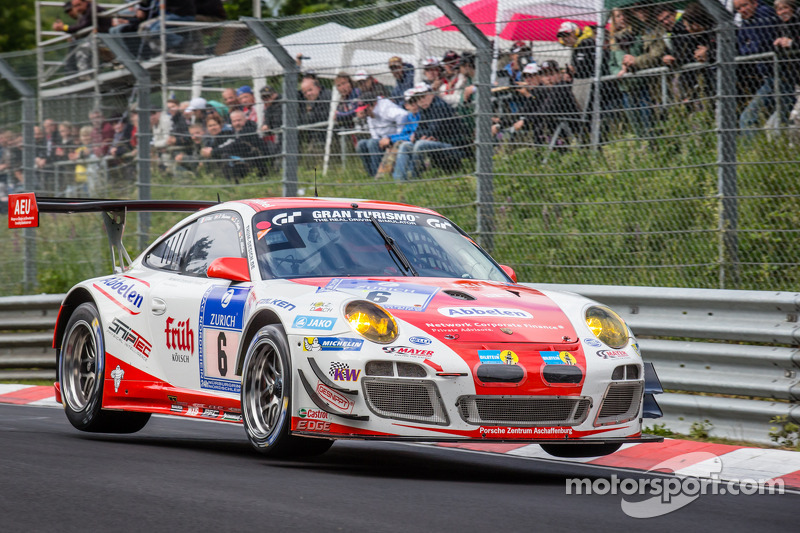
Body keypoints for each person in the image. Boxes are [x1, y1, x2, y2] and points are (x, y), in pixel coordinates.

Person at [392, 83, 471, 179]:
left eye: (423, 96)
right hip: (436, 144)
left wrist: (421, 136)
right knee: (405, 145)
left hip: (455, 147)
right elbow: (419, 131)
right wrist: (421, 135)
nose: (421, 101)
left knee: (421, 144)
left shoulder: (439, 106)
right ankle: (399, 179)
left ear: (431, 94)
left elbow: (433, 130)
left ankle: (413, 177)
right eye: (417, 98)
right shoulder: (424, 109)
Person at [734, 0, 783, 135]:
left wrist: (751, 46)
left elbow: (763, 45)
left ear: (754, 3)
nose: (742, 10)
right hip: (769, 76)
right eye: (738, 8)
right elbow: (741, 47)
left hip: (781, 74)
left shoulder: (763, 13)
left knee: (748, 118)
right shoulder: (747, 21)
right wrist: (752, 46)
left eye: (745, 5)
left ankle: (750, 153)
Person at [201, 109, 266, 182]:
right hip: (240, 158)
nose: (237, 123)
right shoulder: (231, 132)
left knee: (225, 156)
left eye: (239, 120)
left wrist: (213, 152)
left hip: (252, 159)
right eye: (234, 121)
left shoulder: (249, 130)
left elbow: (232, 145)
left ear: (245, 119)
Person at [355, 91, 409, 177]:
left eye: (366, 108)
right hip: (381, 138)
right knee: (361, 144)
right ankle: (371, 174)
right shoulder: (370, 112)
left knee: (372, 143)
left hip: (392, 137)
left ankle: (379, 175)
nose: (364, 111)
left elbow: (402, 114)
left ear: (374, 103)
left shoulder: (385, 108)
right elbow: (373, 132)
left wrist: (398, 134)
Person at [558, 21, 596, 113]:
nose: (565, 38)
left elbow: (586, 67)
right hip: (583, 83)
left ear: (576, 32)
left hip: (589, 82)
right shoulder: (576, 45)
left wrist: (573, 69)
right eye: (562, 36)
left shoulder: (586, 42)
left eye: (567, 35)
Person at [299, 75, 332, 144]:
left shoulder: (327, 96)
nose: (308, 94)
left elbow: (323, 116)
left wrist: (310, 114)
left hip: (328, 137)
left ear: (317, 87)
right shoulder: (310, 101)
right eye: (305, 92)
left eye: (310, 90)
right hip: (315, 138)